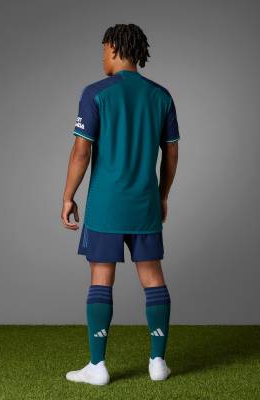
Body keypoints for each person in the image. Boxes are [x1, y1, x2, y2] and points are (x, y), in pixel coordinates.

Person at [61, 23, 180, 385]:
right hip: (144, 203)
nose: (101, 57)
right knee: (153, 277)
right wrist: (162, 195)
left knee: (101, 279)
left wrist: (67, 196)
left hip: (106, 206)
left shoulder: (95, 93)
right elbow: (171, 154)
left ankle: (98, 366)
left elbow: (81, 152)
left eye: (102, 50)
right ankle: (157, 362)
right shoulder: (161, 96)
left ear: (113, 48)